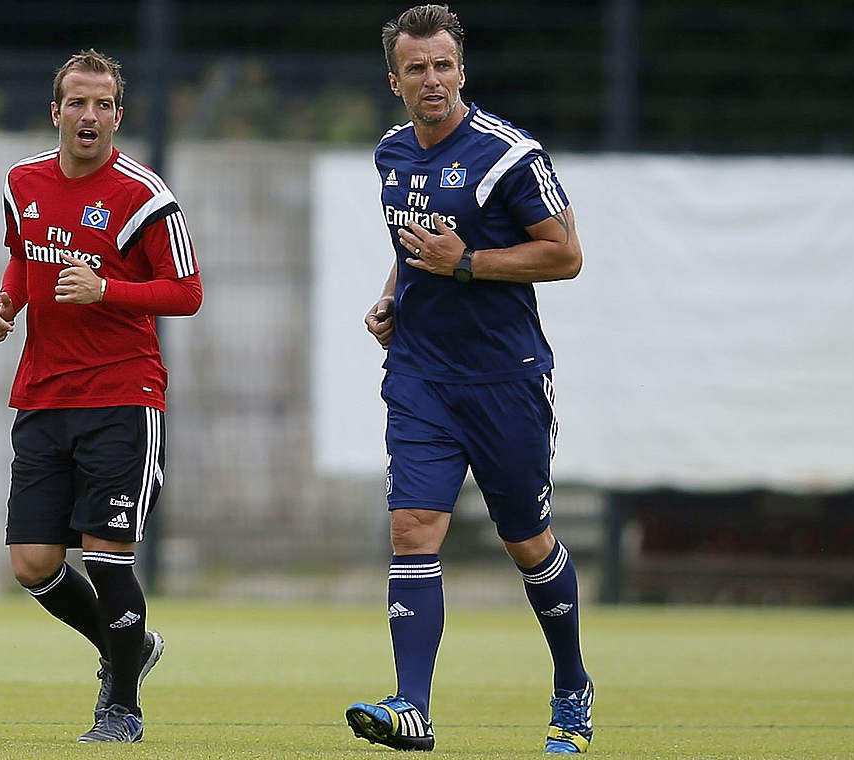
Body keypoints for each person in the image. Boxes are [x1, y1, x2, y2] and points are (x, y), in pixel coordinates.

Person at [343, 5, 593, 755]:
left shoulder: (509, 156)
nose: (433, 80)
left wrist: (468, 263)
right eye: (416, 68)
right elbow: (411, 244)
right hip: (421, 373)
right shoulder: (391, 153)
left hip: (504, 379)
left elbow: (566, 254)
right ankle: (411, 707)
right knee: (412, 528)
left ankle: (572, 687)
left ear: (462, 70)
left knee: (527, 541)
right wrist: (394, 296)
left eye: (444, 65)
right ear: (395, 80)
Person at [0, 48, 202, 744]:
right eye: (77, 102)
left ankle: (123, 709)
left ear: (118, 116)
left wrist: (108, 288)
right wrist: (7, 307)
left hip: (121, 396)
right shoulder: (23, 181)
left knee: (106, 557)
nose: (90, 115)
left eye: (103, 104)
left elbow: (186, 293)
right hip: (43, 394)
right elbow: (24, 253)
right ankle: (127, 646)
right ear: (56, 112)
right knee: (35, 564)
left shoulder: (143, 194)